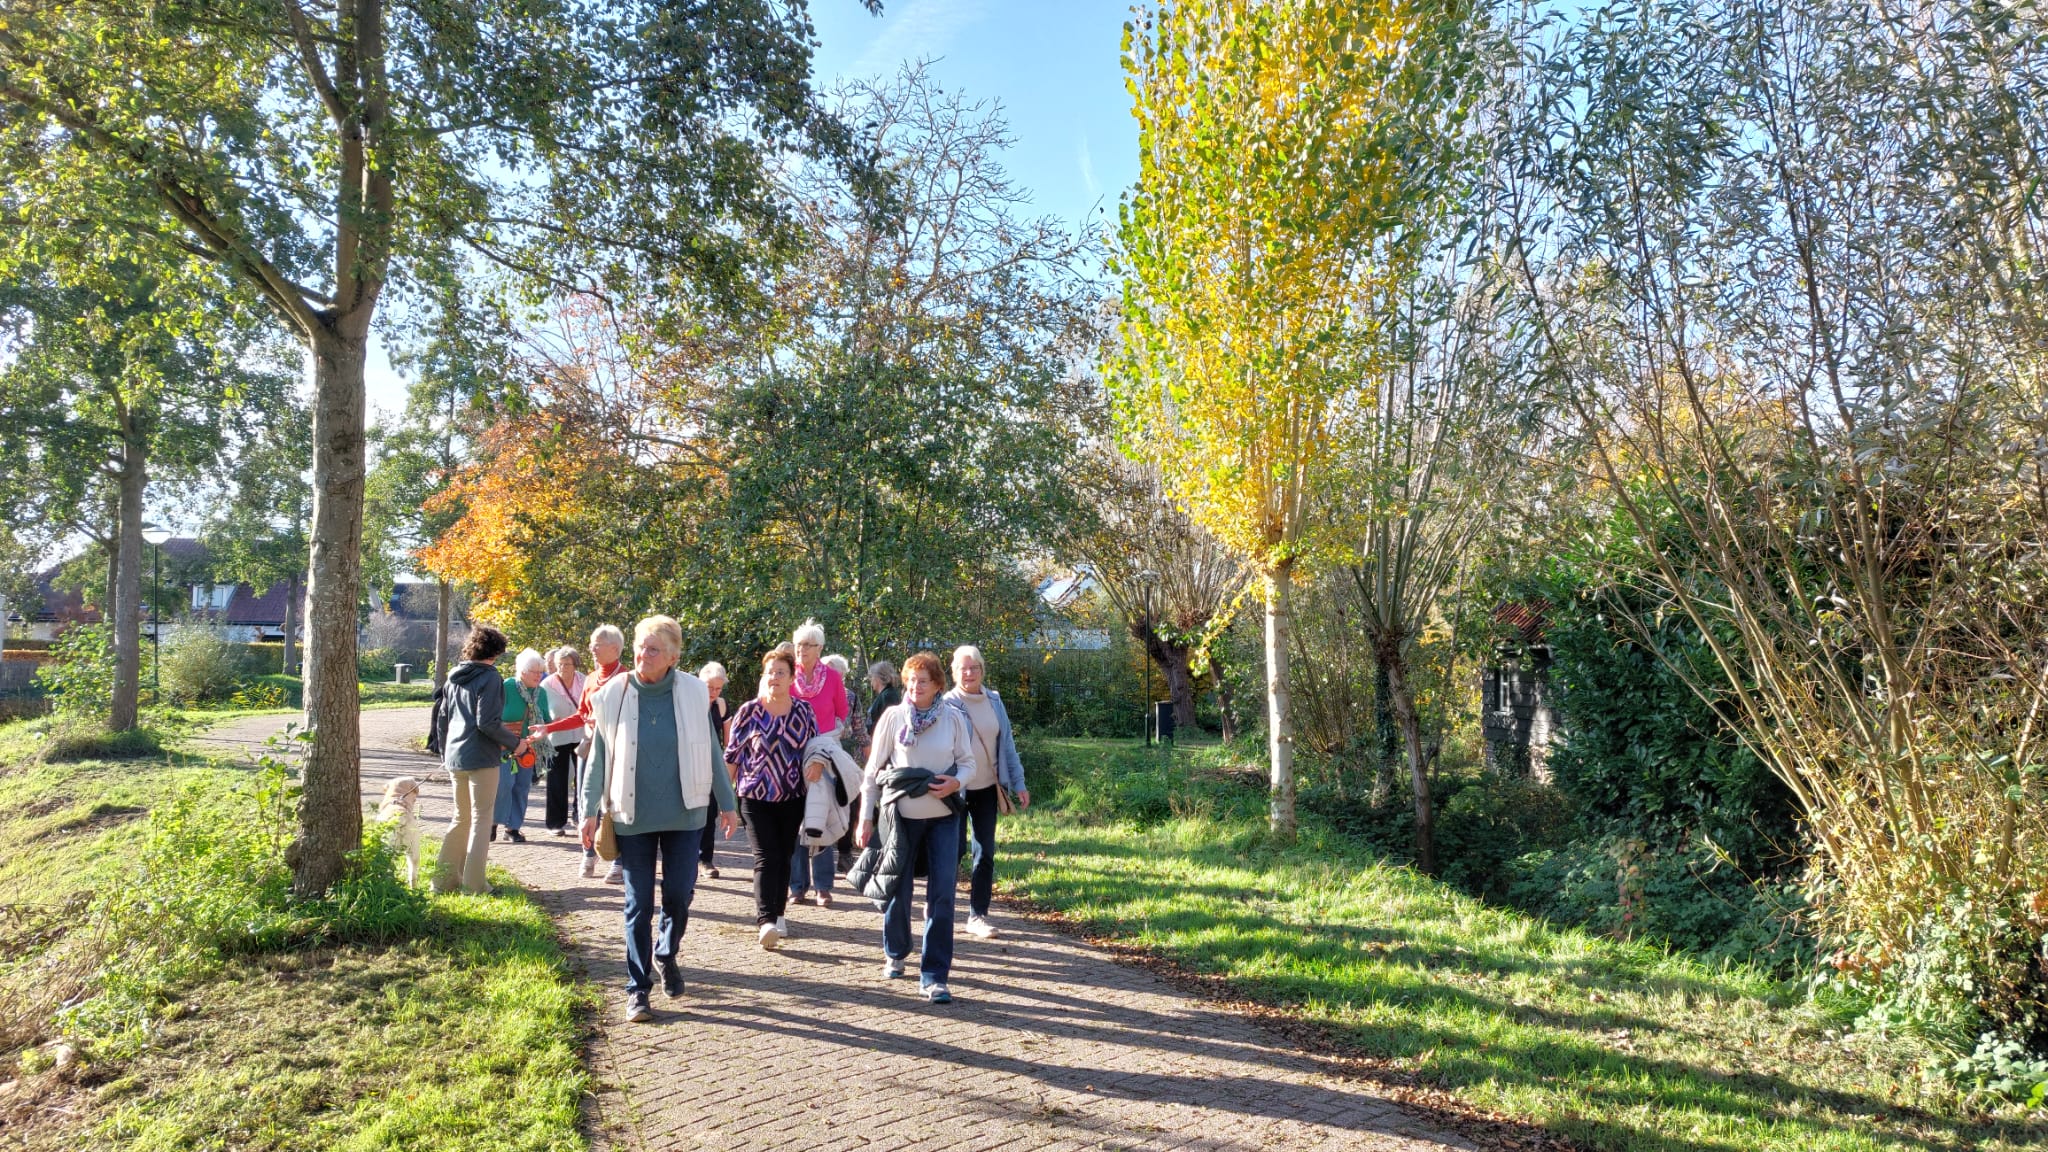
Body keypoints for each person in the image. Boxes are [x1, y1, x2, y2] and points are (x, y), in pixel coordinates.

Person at [580, 616, 738, 1023]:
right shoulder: (613, 693)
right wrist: (588, 812)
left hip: (685, 812)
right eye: (639, 646)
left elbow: (711, 751)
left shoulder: (691, 692)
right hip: (631, 814)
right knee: (638, 904)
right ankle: (637, 989)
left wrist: (727, 802)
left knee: (679, 896)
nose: (642, 655)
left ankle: (666, 952)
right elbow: (597, 759)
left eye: (652, 649)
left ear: (672, 657)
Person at [854, 651, 972, 1004]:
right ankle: (895, 951)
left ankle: (935, 976)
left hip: (943, 819)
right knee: (898, 889)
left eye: (923, 681)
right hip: (900, 818)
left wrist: (955, 784)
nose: (916, 686)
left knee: (942, 897)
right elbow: (873, 772)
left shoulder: (953, 718)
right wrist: (865, 817)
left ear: (937, 685)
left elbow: (968, 764)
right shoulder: (893, 716)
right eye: (911, 680)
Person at [726, 644, 817, 950]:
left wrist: (818, 766)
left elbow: (815, 750)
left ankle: (779, 914)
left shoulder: (804, 711)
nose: (774, 677)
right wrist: (725, 802)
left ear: (792, 678)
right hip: (755, 796)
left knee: (784, 855)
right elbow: (732, 757)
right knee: (766, 856)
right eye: (770, 672)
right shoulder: (748, 712)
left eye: (781, 672)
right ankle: (765, 920)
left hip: (793, 796)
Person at [433, 626, 531, 894]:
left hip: (455, 755)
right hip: (482, 757)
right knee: (481, 819)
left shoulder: (453, 676)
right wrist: (517, 744)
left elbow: (442, 719)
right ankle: (474, 885)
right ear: (496, 652)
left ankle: (442, 881)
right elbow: (487, 722)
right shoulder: (490, 678)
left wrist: (445, 752)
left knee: (460, 818)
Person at [944, 645, 1030, 939]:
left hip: (987, 789)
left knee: (985, 854)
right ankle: (940, 908)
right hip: (956, 789)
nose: (969, 674)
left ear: (982, 670)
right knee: (951, 852)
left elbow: (1007, 744)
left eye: (974, 668)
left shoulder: (994, 700)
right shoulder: (946, 703)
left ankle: (977, 915)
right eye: (963, 669)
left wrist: (1018, 783)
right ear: (954, 672)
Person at [787, 624, 857, 908]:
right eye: (799, 645)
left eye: (808, 645)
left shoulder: (832, 678)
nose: (802, 650)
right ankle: (797, 886)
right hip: (791, 753)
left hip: (824, 751)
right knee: (795, 819)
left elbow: (842, 712)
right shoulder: (788, 674)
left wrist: (824, 744)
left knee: (823, 814)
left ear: (820, 649)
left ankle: (824, 887)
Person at [493, 648, 551, 843]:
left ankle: (513, 828)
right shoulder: (507, 687)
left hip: (528, 748)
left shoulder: (541, 693)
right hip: (504, 746)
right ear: (522, 671)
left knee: (521, 787)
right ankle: (493, 822)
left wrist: (538, 734)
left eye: (540, 671)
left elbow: (547, 722)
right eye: (533, 671)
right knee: (503, 784)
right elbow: (493, 717)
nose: (538, 675)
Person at [539, 647, 585, 836]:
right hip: (557, 736)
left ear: (575, 664)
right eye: (559, 664)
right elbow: (541, 710)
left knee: (583, 778)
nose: (563, 668)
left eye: (567, 664)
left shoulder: (584, 681)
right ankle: (555, 823)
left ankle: (580, 816)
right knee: (556, 779)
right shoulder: (547, 684)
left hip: (582, 734)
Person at [698, 661, 733, 879]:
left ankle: (705, 859)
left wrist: (726, 777)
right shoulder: (688, 702)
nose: (713, 692)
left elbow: (729, 743)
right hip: (688, 764)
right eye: (709, 687)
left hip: (711, 765)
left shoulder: (720, 705)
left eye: (718, 688)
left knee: (710, 811)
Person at [866, 660, 903, 732]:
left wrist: (866, 729)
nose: (871, 681)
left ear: (878, 678)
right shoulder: (885, 694)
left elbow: (887, 724)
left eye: (872, 677)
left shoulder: (888, 696)